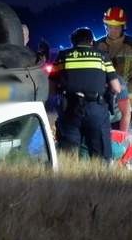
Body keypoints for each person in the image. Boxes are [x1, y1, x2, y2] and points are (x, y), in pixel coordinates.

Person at [50, 27, 125, 163]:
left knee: (68, 156)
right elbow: (117, 88)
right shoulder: (102, 56)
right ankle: (100, 182)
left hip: (70, 110)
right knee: (100, 156)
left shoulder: (62, 56)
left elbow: (52, 88)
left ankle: (68, 182)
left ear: (73, 42)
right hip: (96, 109)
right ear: (91, 41)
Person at [95, 7, 132, 126]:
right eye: (110, 27)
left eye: (116, 27)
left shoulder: (130, 45)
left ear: (123, 27)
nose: (113, 30)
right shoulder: (98, 45)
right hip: (104, 99)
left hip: (128, 99)